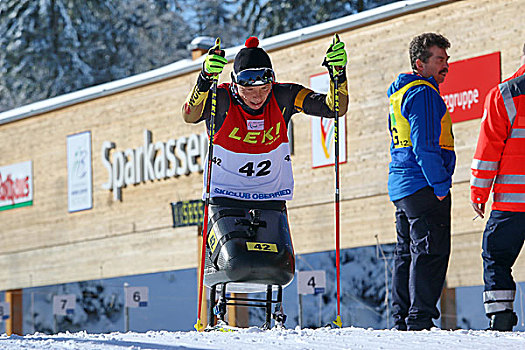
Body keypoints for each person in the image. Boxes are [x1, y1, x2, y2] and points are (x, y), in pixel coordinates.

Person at [180, 36, 347, 283]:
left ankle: (276, 315)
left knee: (279, 270)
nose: (257, 97)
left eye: (264, 89)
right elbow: (190, 115)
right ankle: (218, 310)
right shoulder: (222, 98)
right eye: (249, 90)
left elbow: (334, 108)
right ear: (235, 84)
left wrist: (339, 75)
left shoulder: (284, 95)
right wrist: (204, 78)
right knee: (233, 266)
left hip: (269, 195)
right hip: (227, 194)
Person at [387, 33, 455, 331]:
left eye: (447, 59)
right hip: (424, 185)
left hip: (402, 185)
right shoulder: (425, 94)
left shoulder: (400, 92)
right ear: (420, 63)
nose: (446, 65)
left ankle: (401, 318)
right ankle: (420, 319)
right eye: (439, 60)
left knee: (407, 254)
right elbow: (425, 146)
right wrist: (440, 187)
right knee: (430, 253)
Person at [470, 46, 525, 331]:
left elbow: (488, 151)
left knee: (496, 256)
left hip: (512, 205)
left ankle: (501, 317)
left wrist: (478, 193)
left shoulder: (505, 94)